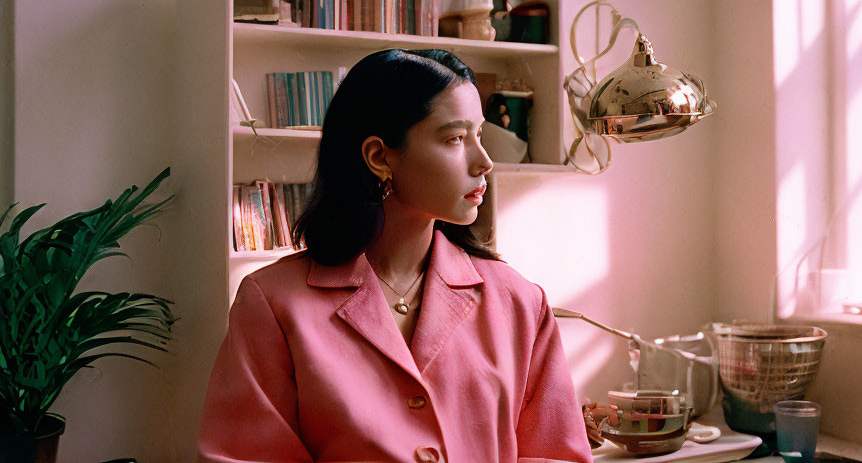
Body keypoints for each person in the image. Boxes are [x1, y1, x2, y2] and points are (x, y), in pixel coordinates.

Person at [197, 49, 592, 463]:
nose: (484, 162)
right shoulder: (274, 304)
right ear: (379, 156)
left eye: (480, 134)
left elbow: (556, 455)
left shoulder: (519, 302)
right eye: (456, 139)